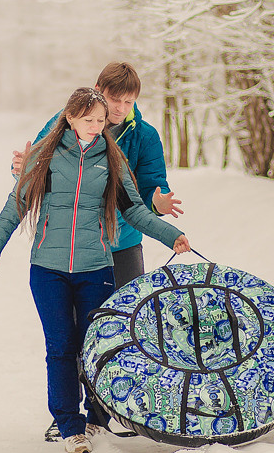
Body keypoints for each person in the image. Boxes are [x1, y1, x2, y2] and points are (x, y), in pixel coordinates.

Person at [0, 87, 191, 453]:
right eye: (88, 120)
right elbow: (16, 203)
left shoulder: (111, 160)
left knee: (95, 347)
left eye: (100, 121)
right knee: (60, 347)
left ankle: (97, 418)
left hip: (95, 268)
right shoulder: (46, 157)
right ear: (70, 118)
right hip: (48, 269)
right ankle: (69, 426)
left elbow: (135, 210)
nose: (96, 127)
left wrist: (171, 235)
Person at [12, 62, 183, 289]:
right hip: (74, 247)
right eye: (115, 99)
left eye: (128, 101)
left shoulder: (145, 136)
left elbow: (151, 187)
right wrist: (24, 169)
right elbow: (39, 169)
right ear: (98, 89)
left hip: (123, 245)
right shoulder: (66, 121)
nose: (121, 108)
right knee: (81, 322)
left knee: (128, 317)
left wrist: (156, 203)